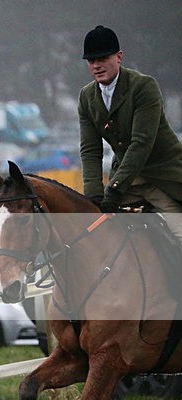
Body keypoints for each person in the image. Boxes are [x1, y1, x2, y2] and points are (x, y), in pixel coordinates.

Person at [78, 25, 182, 242]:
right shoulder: (86, 97)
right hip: (127, 183)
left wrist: (114, 189)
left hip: (162, 178)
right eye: (91, 61)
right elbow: (90, 150)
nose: (96, 65)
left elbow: (141, 144)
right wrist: (94, 196)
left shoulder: (144, 86)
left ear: (119, 57)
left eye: (103, 58)